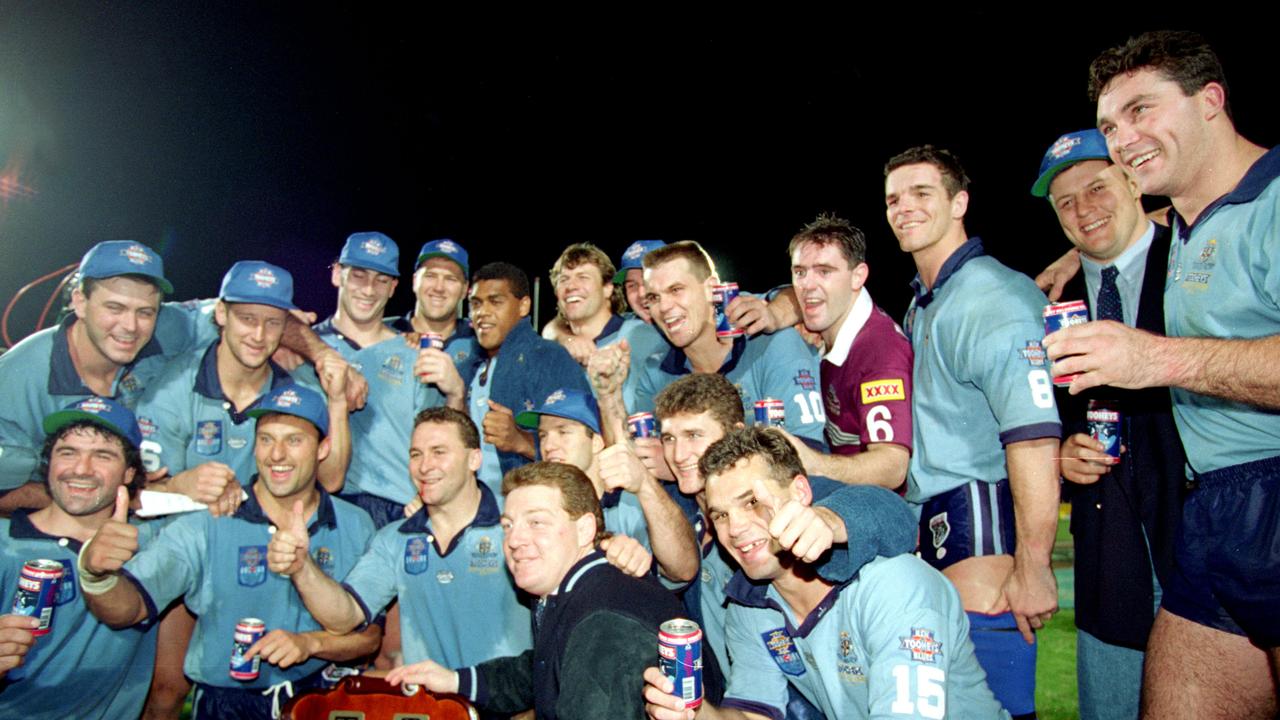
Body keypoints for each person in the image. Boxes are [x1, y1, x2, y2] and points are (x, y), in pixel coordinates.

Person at [1040, 30, 1280, 717]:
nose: (1123, 136)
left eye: (1142, 110)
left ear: (1210, 100)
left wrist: (1155, 359)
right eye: (1111, 124)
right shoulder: (1194, 224)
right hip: (1217, 515)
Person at [642, 426, 1008, 720]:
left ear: (801, 491)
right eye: (720, 515)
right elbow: (756, 713)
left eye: (752, 503)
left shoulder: (893, 586)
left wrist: (829, 521)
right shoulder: (750, 605)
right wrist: (695, 714)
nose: (734, 528)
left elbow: (885, 507)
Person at [79, 383, 380, 720]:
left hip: (319, 699)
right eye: (266, 439)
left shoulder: (355, 523)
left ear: (323, 448)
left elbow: (369, 637)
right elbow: (127, 609)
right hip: (227, 705)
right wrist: (96, 576)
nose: (276, 455)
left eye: (293, 440)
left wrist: (310, 643)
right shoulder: (208, 523)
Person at [885, 145, 1061, 718]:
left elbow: (1033, 437)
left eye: (921, 193)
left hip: (979, 513)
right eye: (893, 199)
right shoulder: (926, 302)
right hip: (934, 515)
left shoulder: (993, 297)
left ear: (960, 202)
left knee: (992, 699)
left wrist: (1034, 566)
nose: (903, 208)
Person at [0, 240, 367, 513]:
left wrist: (323, 357)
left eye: (145, 311)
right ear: (80, 301)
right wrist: (122, 494)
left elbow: (261, 313)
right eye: (114, 308)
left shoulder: (170, 327)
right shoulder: (18, 379)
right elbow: (5, 494)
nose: (130, 326)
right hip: (44, 527)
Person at [649, 373, 918, 717]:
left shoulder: (787, 492)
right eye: (668, 438)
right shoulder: (688, 516)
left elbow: (894, 515)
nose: (679, 453)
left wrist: (828, 520)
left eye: (694, 435)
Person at [1031, 128, 1186, 719]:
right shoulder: (1051, 299)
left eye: (1096, 188)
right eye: (1066, 202)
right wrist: (1063, 455)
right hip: (1108, 559)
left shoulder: (1194, 258)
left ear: (1131, 181)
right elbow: (1041, 417)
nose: (1083, 210)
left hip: (1202, 543)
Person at [385, 461, 695, 720]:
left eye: (536, 522)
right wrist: (454, 680)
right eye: (508, 525)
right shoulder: (574, 590)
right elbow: (541, 670)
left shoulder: (603, 620)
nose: (514, 540)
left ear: (585, 529)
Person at [269, 407, 532, 672]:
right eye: (416, 454)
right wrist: (302, 568)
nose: (425, 466)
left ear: (474, 459)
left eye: (439, 452)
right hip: (430, 708)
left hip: (507, 705)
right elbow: (344, 617)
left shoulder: (511, 528)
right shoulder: (396, 539)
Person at [137, 260, 351, 509]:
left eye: (272, 322)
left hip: (271, 540)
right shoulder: (171, 390)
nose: (259, 335)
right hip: (191, 535)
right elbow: (138, 494)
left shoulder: (300, 388)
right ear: (221, 313)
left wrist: (337, 402)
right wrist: (177, 485)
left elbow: (331, 481)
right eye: (247, 319)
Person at [0, 397, 158, 719]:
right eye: (67, 452)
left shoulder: (156, 546)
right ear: (49, 464)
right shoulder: (4, 544)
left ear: (129, 472)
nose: (81, 469)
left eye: (102, 455)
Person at [624, 241, 826, 483]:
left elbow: (804, 461)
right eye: (654, 298)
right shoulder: (656, 371)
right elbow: (646, 456)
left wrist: (692, 469)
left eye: (676, 290)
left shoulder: (772, 342)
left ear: (712, 289)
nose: (665, 307)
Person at [313, 232, 464, 527]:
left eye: (381, 280)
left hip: (397, 510)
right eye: (358, 275)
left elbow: (443, 438)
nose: (368, 289)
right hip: (322, 508)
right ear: (337, 274)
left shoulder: (413, 354)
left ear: (394, 287)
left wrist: (428, 494)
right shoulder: (302, 349)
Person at [781, 214, 912, 489]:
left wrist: (813, 463)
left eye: (824, 271)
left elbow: (892, 467)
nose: (807, 285)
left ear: (858, 276)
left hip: (882, 516)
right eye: (800, 272)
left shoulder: (879, 351)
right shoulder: (824, 331)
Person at [515, 386, 698, 583]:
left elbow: (684, 570)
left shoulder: (632, 504)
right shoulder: (544, 511)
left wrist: (633, 557)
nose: (548, 446)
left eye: (563, 432)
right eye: (543, 435)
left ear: (596, 442)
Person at [465, 262, 591, 488]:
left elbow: (581, 450)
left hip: (533, 509)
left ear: (523, 306)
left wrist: (519, 441)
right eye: (476, 304)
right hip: (481, 511)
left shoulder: (546, 356)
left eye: (495, 301)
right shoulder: (473, 366)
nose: (482, 312)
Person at [541, 242, 667, 409]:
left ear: (608, 288)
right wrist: (563, 337)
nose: (571, 286)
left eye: (583, 277)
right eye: (563, 280)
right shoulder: (549, 353)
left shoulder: (648, 336)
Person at [387, 238, 481, 382]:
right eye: (430, 276)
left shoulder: (480, 342)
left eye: (450, 279)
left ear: (464, 290)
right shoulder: (384, 332)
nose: (439, 288)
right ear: (414, 281)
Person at [616, 239, 666, 324]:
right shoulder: (620, 328)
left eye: (648, 281)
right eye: (632, 286)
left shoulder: (693, 326)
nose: (641, 294)